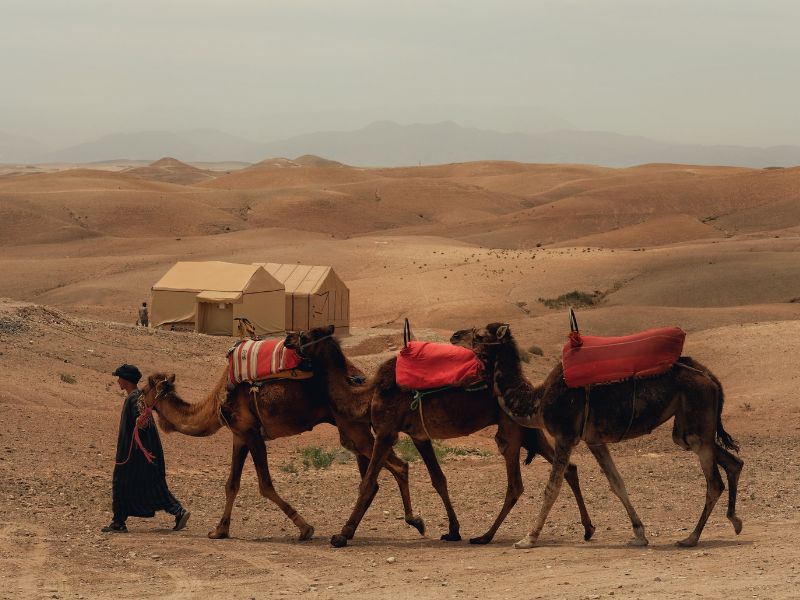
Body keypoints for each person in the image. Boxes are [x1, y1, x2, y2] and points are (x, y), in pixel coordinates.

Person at [102, 363, 190, 533]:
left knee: (121, 484)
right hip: (143, 452)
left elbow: (141, 420)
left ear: (126, 380)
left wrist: (139, 422)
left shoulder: (134, 398)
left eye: (119, 378)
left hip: (135, 454)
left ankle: (118, 522)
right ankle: (178, 511)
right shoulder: (139, 397)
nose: (118, 381)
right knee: (152, 485)